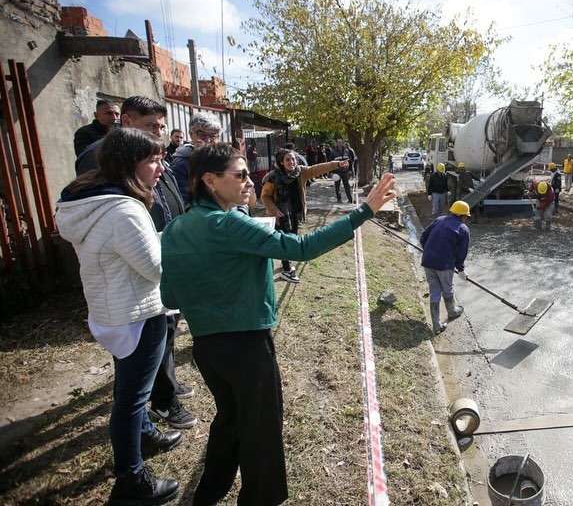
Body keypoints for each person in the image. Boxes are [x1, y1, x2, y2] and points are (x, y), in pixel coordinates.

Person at [160, 144, 397, 505]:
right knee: (261, 428)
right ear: (210, 180)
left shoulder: (177, 227)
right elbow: (301, 248)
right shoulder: (229, 223)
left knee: (230, 419)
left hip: (207, 347)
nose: (248, 180)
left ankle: (209, 491)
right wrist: (363, 212)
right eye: (239, 174)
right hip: (247, 346)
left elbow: (170, 296)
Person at [56, 129, 182, 505]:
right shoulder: (125, 210)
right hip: (137, 314)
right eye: (153, 161)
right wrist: (178, 246)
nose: (161, 168)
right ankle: (131, 480)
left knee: (130, 389)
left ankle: (144, 433)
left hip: (112, 310)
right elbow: (156, 268)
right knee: (130, 397)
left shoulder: (89, 200)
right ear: (130, 165)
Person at [75, 96, 197, 431]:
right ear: (127, 122)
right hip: (134, 276)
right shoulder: (101, 159)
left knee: (165, 336)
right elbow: (114, 217)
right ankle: (159, 406)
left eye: (161, 126)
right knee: (139, 362)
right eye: (151, 126)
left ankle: (164, 391)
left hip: (152, 258)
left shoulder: (153, 156)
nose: (159, 132)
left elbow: (168, 193)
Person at [260, 149, 349, 283]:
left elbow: (317, 168)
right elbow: (265, 196)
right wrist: (274, 210)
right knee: (285, 240)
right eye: (288, 160)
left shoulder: (300, 172)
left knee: (292, 238)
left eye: (293, 159)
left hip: (295, 212)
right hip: (280, 215)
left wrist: (337, 164)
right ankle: (287, 270)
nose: (292, 162)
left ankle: (286, 262)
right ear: (281, 162)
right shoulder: (273, 177)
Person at [420, 200, 470, 335]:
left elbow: (423, 237)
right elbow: (461, 252)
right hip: (444, 265)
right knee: (447, 288)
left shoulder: (439, 220)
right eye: (466, 216)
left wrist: (429, 252)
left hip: (428, 261)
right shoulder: (463, 229)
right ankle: (452, 311)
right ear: (463, 216)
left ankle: (436, 325)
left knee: (434, 290)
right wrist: (460, 269)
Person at [170, 112, 223, 202]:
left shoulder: (225, 159)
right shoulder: (182, 163)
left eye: (213, 135)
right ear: (191, 134)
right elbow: (184, 202)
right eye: (202, 134)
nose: (208, 140)